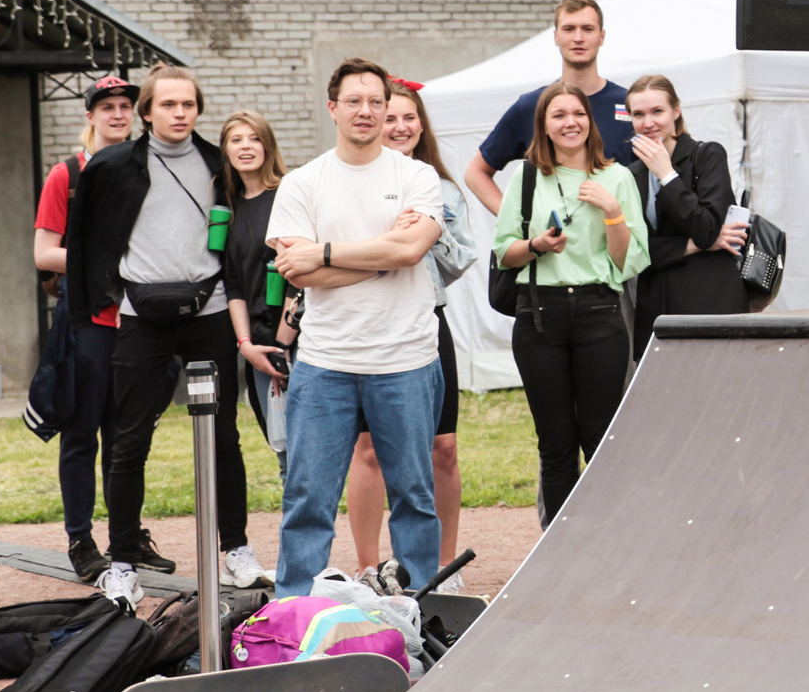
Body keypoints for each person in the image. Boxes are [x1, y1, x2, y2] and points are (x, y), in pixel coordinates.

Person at [65, 66, 255, 605]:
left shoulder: (219, 164)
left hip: (210, 310)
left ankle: (236, 549)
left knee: (224, 436)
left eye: (188, 105)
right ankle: (122, 560)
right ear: (146, 112)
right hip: (139, 315)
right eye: (167, 104)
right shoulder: (110, 164)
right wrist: (88, 313)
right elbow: (82, 243)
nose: (179, 113)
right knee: (128, 440)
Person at [266, 59, 447, 597]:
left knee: (414, 497)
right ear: (333, 109)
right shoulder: (303, 183)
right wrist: (386, 254)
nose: (366, 111)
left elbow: (414, 247)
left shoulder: (415, 174)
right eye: (354, 101)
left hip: (407, 361)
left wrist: (325, 252)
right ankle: (292, 612)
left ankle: (417, 610)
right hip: (326, 364)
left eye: (376, 102)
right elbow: (293, 269)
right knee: (308, 498)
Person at [489, 83, 647, 526]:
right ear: (544, 125)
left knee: (600, 440)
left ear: (590, 121)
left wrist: (613, 212)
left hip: (600, 313)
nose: (569, 122)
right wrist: (536, 244)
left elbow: (627, 260)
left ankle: (602, 542)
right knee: (555, 443)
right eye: (558, 115)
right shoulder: (524, 177)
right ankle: (558, 551)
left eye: (577, 113)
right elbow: (504, 251)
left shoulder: (617, 178)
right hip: (540, 316)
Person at [340, 79, 477, 591]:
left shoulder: (441, 190)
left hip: (426, 321)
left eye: (408, 118)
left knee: (442, 447)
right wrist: (390, 239)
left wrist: (425, 232)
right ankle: (369, 567)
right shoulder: (352, 181)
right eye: (389, 116)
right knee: (371, 448)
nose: (399, 126)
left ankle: (442, 568)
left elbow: (461, 260)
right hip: (370, 321)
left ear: (422, 125)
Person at [32, 74, 139, 583]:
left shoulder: (148, 167)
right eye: (108, 107)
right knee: (82, 432)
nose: (118, 114)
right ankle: (80, 538)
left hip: (137, 320)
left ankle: (127, 538)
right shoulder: (68, 174)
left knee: (127, 435)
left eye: (125, 106)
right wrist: (99, 261)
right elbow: (44, 252)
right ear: (91, 116)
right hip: (87, 321)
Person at [463, 0, 634, 217]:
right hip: (551, 246)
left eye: (588, 29)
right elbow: (475, 173)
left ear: (601, 36)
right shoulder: (532, 106)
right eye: (569, 29)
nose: (578, 38)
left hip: (615, 242)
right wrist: (516, 222)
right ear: (555, 36)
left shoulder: (630, 105)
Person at [622, 73, 748, 355]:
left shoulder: (707, 155)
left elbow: (706, 229)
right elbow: (633, 251)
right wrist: (690, 245)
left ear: (675, 111)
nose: (648, 122)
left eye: (657, 111)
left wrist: (667, 175)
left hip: (709, 302)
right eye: (638, 114)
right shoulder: (631, 174)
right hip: (656, 309)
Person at [219, 110, 290, 515]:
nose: (246, 147)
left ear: (268, 145)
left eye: (254, 138)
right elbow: (234, 283)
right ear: (226, 151)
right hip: (258, 350)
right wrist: (246, 345)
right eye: (236, 140)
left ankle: (313, 565)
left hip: (296, 343)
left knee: (305, 457)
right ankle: (302, 565)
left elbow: (302, 277)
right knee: (282, 454)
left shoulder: (289, 194)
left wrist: (281, 345)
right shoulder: (227, 207)